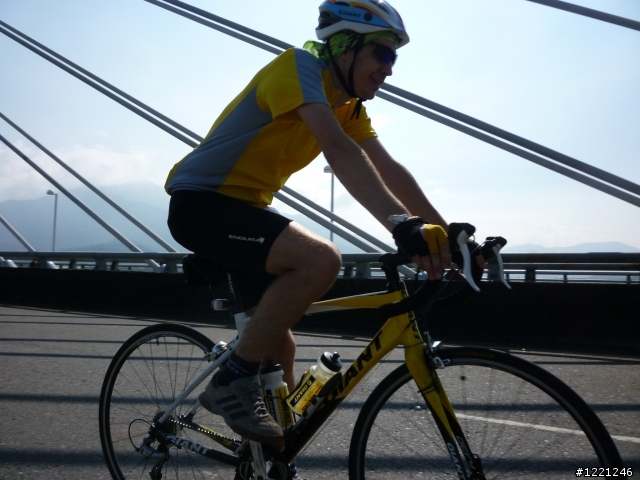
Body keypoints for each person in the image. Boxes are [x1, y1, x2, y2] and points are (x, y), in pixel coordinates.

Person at [166, 0, 480, 456]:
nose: (389, 69)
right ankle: (231, 381)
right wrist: (402, 225)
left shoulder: (348, 105)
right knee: (320, 259)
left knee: (280, 350)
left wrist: (447, 236)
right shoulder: (299, 67)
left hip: (247, 212)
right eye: (382, 53)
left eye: (394, 57)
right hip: (202, 204)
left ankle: (269, 458)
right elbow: (338, 149)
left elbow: (389, 170)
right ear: (344, 46)